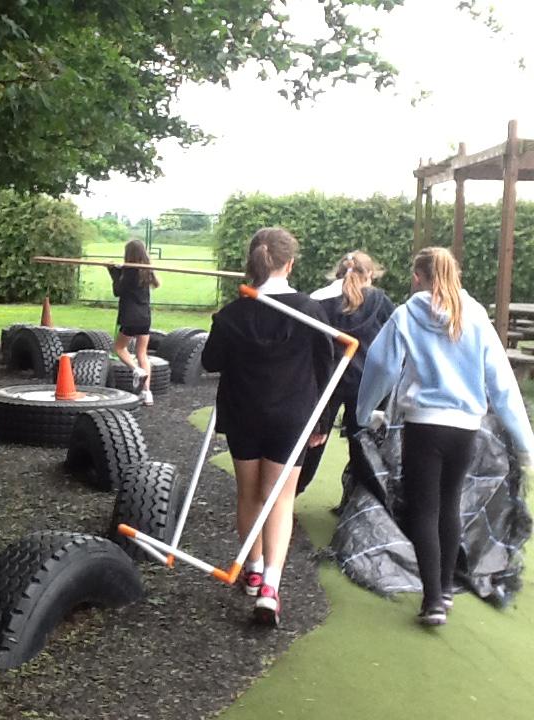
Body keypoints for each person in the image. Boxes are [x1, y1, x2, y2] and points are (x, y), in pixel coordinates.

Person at [357, 247, 534, 627]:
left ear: (418, 277)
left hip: (424, 425)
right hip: (465, 428)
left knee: (424, 510)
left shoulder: (407, 314)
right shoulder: (477, 315)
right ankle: (446, 591)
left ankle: (433, 600)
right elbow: (502, 384)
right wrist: (526, 443)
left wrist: (363, 412)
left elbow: (382, 365)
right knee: (450, 505)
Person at [201, 227, 334, 626]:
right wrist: (323, 421)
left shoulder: (233, 314)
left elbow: (210, 361)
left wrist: (230, 330)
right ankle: (270, 587)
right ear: (289, 264)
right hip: (291, 416)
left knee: (249, 494)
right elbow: (326, 366)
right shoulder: (309, 310)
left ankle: (254, 570)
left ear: (251, 264)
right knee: (279, 499)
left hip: (244, 413)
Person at [297, 251, 395, 499]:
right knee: (363, 445)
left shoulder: (317, 300)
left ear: (338, 272)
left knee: (312, 442)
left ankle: (288, 498)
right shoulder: (381, 302)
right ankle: (362, 505)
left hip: (326, 381)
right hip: (366, 383)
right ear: (370, 274)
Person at [108, 239, 160, 406]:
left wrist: (113, 272)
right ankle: (147, 393)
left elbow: (118, 290)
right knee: (142, 354)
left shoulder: (130, 273)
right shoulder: (147, 271)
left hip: (130, 317)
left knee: (119, 348)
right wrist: (117, 270)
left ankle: (136, 369)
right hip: (145, 318)